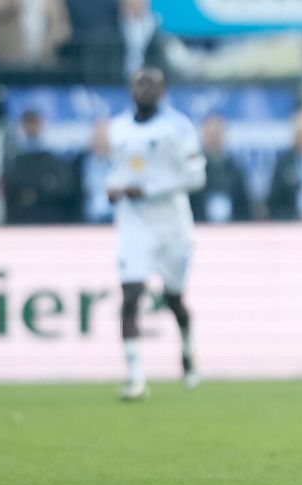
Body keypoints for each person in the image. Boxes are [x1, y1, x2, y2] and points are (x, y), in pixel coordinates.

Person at [106, 66, 206, 400]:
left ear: (162, 91)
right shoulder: (117, 128)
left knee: (174, 298)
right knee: (130, 295)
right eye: (138, 85)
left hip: (172, 224)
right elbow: (116, 171)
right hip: (135, 225)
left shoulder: (178, 127)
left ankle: (188, 353)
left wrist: (147, 190)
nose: (143, 91)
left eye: (150, 86)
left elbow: (196, 178)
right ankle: (135, 378)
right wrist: (113, 188)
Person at [189, 114, 250, 223]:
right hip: (200, 230)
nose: (213, 139)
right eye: (210, 135)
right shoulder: (193, 170)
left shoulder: (235, 171)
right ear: (203, 136)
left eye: (217, 134)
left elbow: (244, 209)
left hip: (233, 232)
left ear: (224, 136)